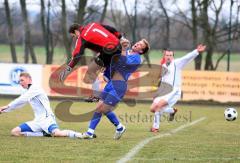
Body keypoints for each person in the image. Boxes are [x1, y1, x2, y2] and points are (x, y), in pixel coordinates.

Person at [78, 38, 150, 139]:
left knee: (102, 108)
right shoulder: (126, 51)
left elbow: (123, 63)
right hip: (110, 84)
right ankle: (116, 128)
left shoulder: (137, 59)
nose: (137, 44)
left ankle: (92, 132)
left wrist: (123, 49)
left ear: (141, 51)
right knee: (101, 108)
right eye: (137, 43)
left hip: (119, 86)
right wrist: (106, 68)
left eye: (140, 45)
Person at [0, 72, 84, 138]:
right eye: (19, 81)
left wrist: (7, 106)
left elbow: (22, 99)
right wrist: (4, 110)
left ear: (29, 79)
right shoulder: (28, 91)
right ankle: (43, 134)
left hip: (47, 119)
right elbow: (20, 104)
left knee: (58, 134)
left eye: (22, 80)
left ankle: (80, 135)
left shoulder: (35, 88)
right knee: (15, 132)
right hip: (37, 121)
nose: (20, 82)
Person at [150, 44, 206, 132]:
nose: (168, 57)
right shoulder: (164, 66)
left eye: (170, 55)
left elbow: (187, 58)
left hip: (173, 91)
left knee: (159, 106)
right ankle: (172, 111)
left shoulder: (177, 63)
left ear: (173, 56)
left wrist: (196, 51)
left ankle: (155, 128)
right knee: (152, 109)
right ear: (164, 56)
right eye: (167, 55)